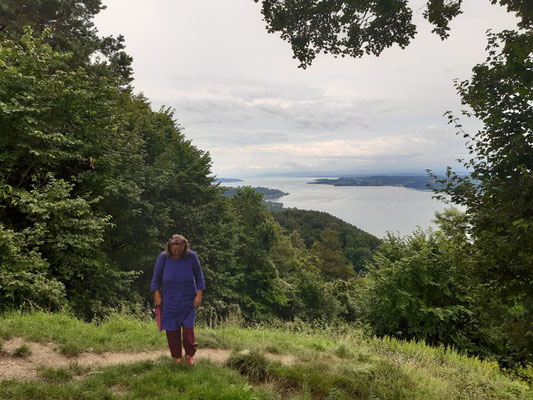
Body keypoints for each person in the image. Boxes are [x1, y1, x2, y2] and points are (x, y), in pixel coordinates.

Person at [150, 234, 205, 366]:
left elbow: (199, 276)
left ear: (184, 247)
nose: (177, 253)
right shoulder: (163, 257)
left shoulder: (191, 256)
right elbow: (156, 277)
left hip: (188, 300)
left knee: (188, 331)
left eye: (179, 250)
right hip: (169, 301)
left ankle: (189, 354)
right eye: (175, 250)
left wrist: (199, 294)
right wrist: (156, 295)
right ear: (170, 247)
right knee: (172, 331)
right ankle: (177, 357)